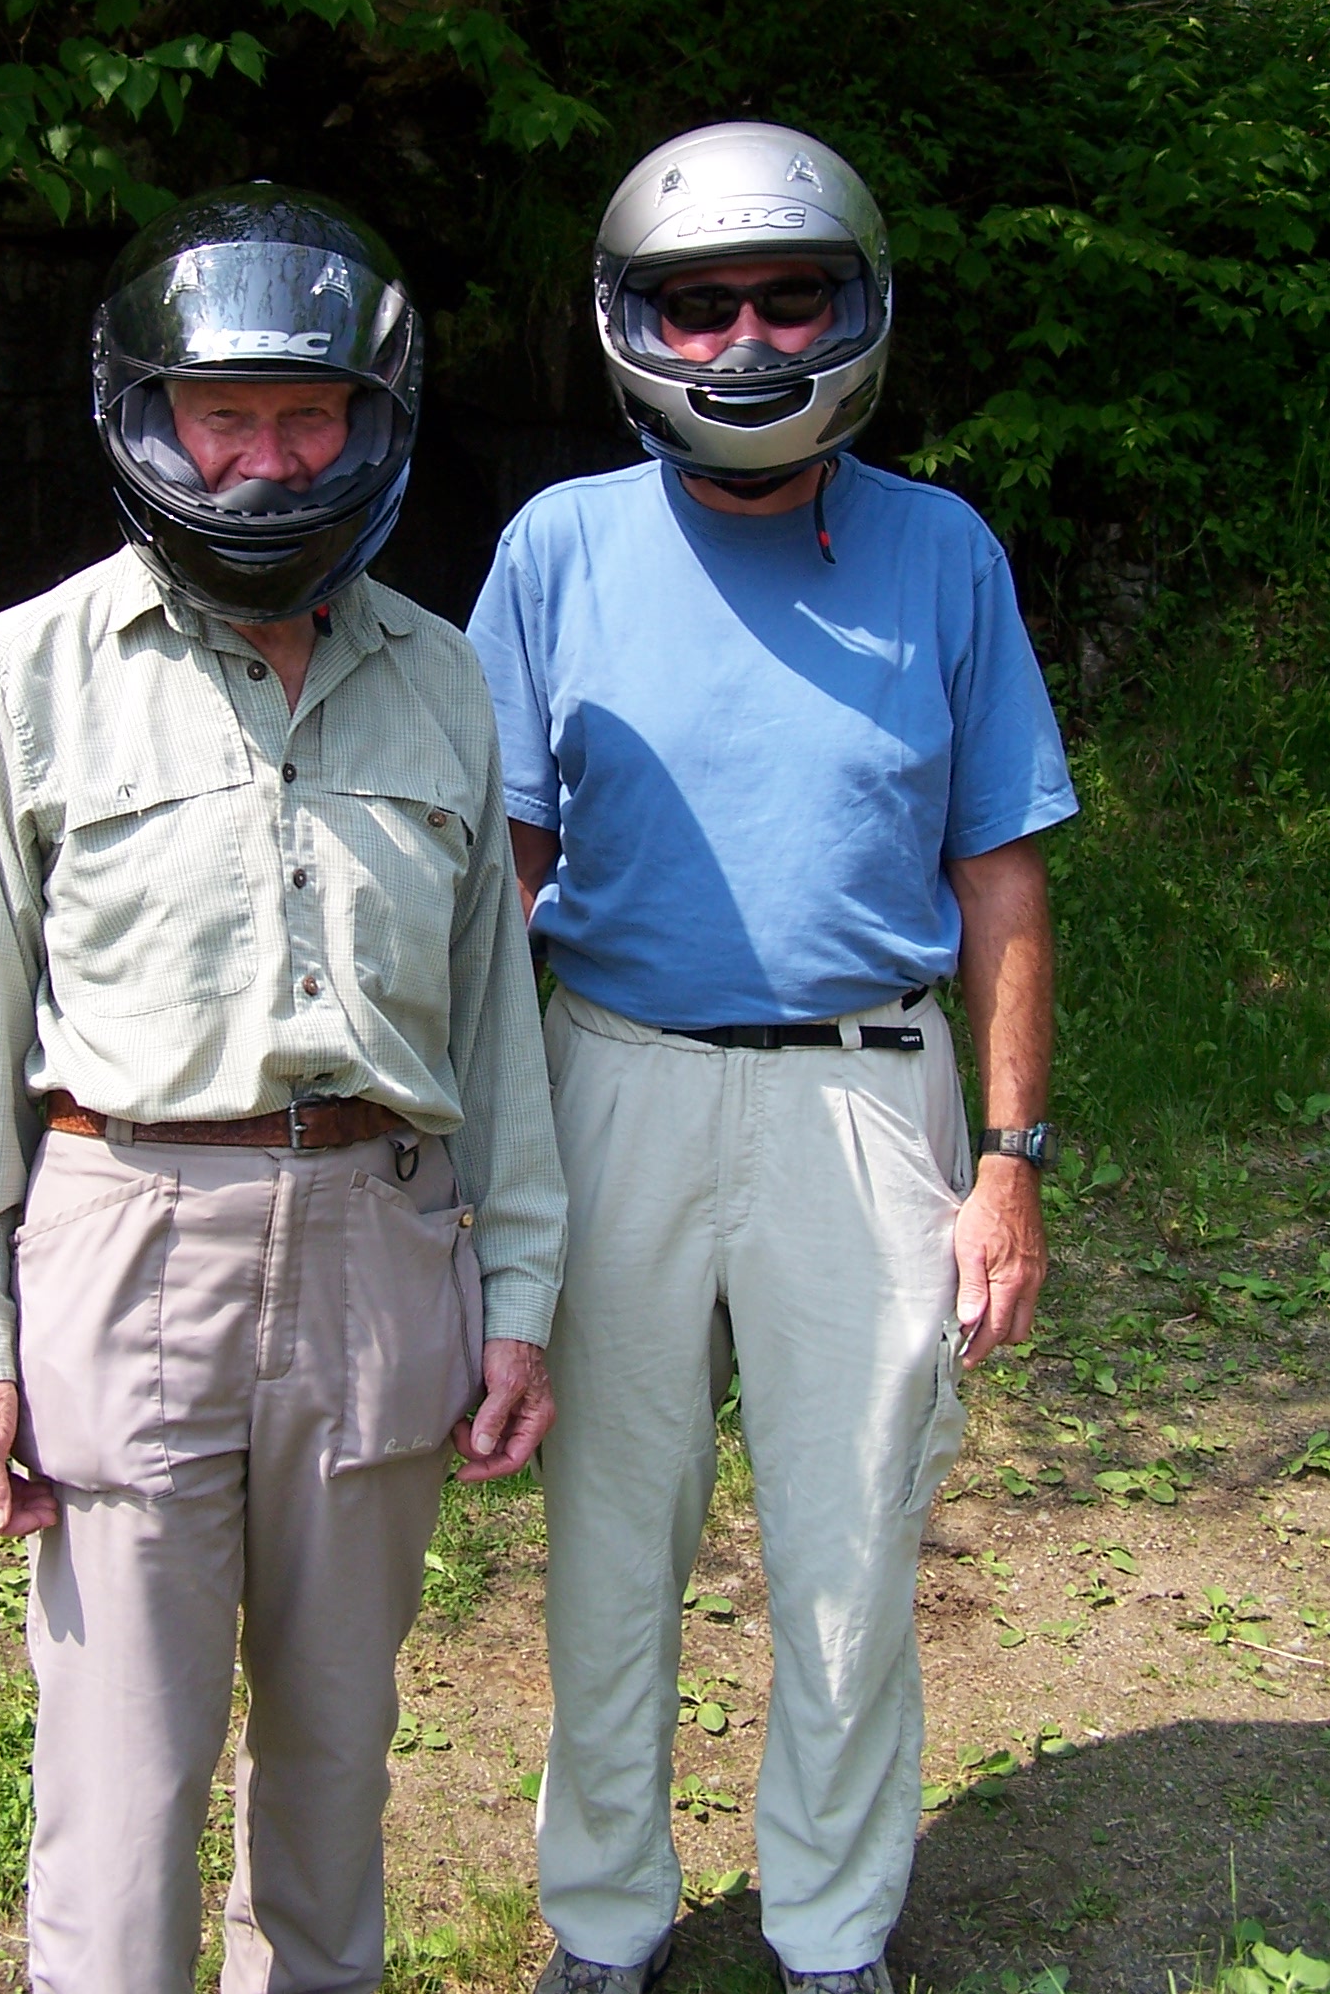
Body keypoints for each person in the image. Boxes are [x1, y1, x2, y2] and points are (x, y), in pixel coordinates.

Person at [0, 185, 567, 1994]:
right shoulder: (30, 675)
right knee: (125, 1784)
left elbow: (498, 1023)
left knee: (339, 1762)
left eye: (306, 416)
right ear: (150, 417)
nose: (267, 459)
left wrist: (519, 1298)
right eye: (226, 415)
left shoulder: (442, 680)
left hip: (378, 1245)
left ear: (371, 423)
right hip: (128, 1248)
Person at [466, 122, 1078, 1994]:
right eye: (697, 300)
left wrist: (1008, 1159)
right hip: (613, 1082)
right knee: (608, 1545)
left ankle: (832, 1933)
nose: (742, 337)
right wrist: (475, 1168)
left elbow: (1004, 877)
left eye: (786, 294)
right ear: (634, 320)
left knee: (849, 1541)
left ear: (852, 307)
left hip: (864, 1096)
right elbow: (501, 879)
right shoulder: (558, 544)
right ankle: (604, 1923)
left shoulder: (941, 548)